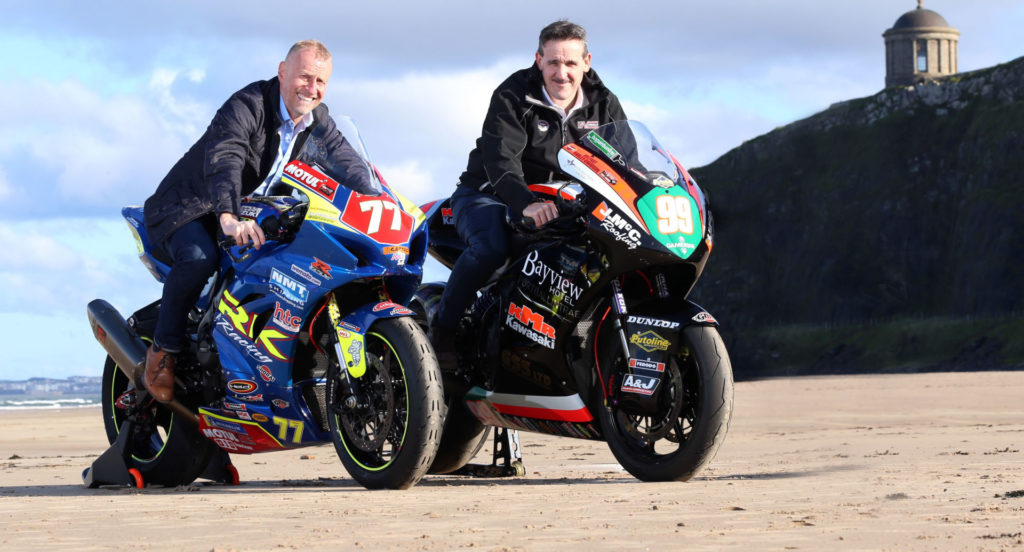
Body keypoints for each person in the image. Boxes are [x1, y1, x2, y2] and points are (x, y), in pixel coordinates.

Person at [142, 40, 368, 402]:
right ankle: (162, 351)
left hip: (253, 212)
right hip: (193, 205)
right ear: (283, 72)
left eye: (320, 82)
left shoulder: (318, 121)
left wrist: (382, 202)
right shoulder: (247, 106)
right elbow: (226, 158)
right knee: (201, 258)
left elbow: (353, 167)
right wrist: (229, 217)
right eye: (305, 77)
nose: (312, 89)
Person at [432, 20, 627, 364]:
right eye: (553, 62)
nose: (561, 73)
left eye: (570, 63)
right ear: (539, 60)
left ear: (587, 62)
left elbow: (625, 161)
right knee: (491, 248)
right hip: (489, 192)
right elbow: (500, 159)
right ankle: (443, 332)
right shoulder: (513, 94)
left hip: (563, 201)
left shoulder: (604, 103)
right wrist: (526, 203)